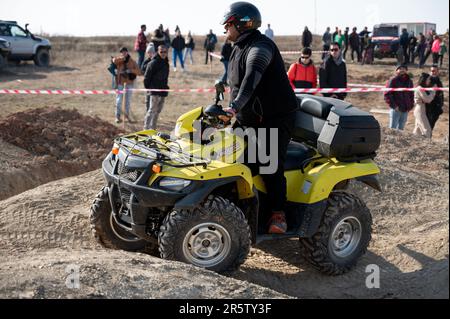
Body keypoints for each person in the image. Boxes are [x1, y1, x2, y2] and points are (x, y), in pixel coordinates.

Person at [220, 2, 298, 234]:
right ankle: (242, 208)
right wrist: (221, 84)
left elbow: (251, 79)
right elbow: (235, 78)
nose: (225, 29)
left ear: (240, 25)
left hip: (275, 118)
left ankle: (278, 214)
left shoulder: (261, 47)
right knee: (229, 159)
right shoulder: (238, 47)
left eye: (227, 25)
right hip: (249, 119)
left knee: (268, 164)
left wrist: (233, 108)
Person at [143, 45, 170, 130]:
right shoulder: (153, 63)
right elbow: (146, 77)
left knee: (158, 111)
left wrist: (165, 88)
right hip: (154, 91)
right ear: (158, 52)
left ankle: (153, 128)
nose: (163, 53)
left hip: (163, 91)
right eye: (161, 52)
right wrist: (150, 89)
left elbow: (166, 77)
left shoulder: (166, 63)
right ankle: (146, 129)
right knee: (151, 110)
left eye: (165, 52)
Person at [112, 47, 141, 124]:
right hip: (120, 83)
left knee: (127, 101)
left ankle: (126, 116)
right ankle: (117, 117)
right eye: (122, 52)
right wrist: (123, 59)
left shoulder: (132, 61)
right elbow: (114, 61)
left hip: (129, 83)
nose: (123, 53)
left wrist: (130, 70)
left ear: (127, 52)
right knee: (119, 100)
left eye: (125, 52)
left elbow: (139, 72)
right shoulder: (119, 60)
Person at [384, 64, 414, 131]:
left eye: (404, 69)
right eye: (400, 69)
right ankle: (391, 142)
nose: (402, 70)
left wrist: (410, 106)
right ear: (396, 70)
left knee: (401, 130)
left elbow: (411, 94)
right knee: (392, 130)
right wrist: (394, 106)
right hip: (396, 109)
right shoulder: (393, 80)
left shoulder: (409, 81)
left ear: (406, 70)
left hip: (405, 109)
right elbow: (387, 94)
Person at [413, 73, 435, 139]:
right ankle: (427, 146)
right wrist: (433, 92)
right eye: (428, 79)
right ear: (424, 79)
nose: (429, 81)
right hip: (420, 110)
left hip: (420, 109)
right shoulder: (420, 88)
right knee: (427, 130)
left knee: (417, 131)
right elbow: (427, 100)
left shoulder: (421, 88)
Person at [426, 65, 445, 134]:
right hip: (428, 106)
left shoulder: (438, 80)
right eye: (432, 71)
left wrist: (441, 104)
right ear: (429, 72)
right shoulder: (427, 80)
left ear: (438, 72)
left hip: (437, 107)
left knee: (431, 125)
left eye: (435, 71)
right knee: (427, 125)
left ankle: (428, 139)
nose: (434, 72)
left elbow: (441, 93)